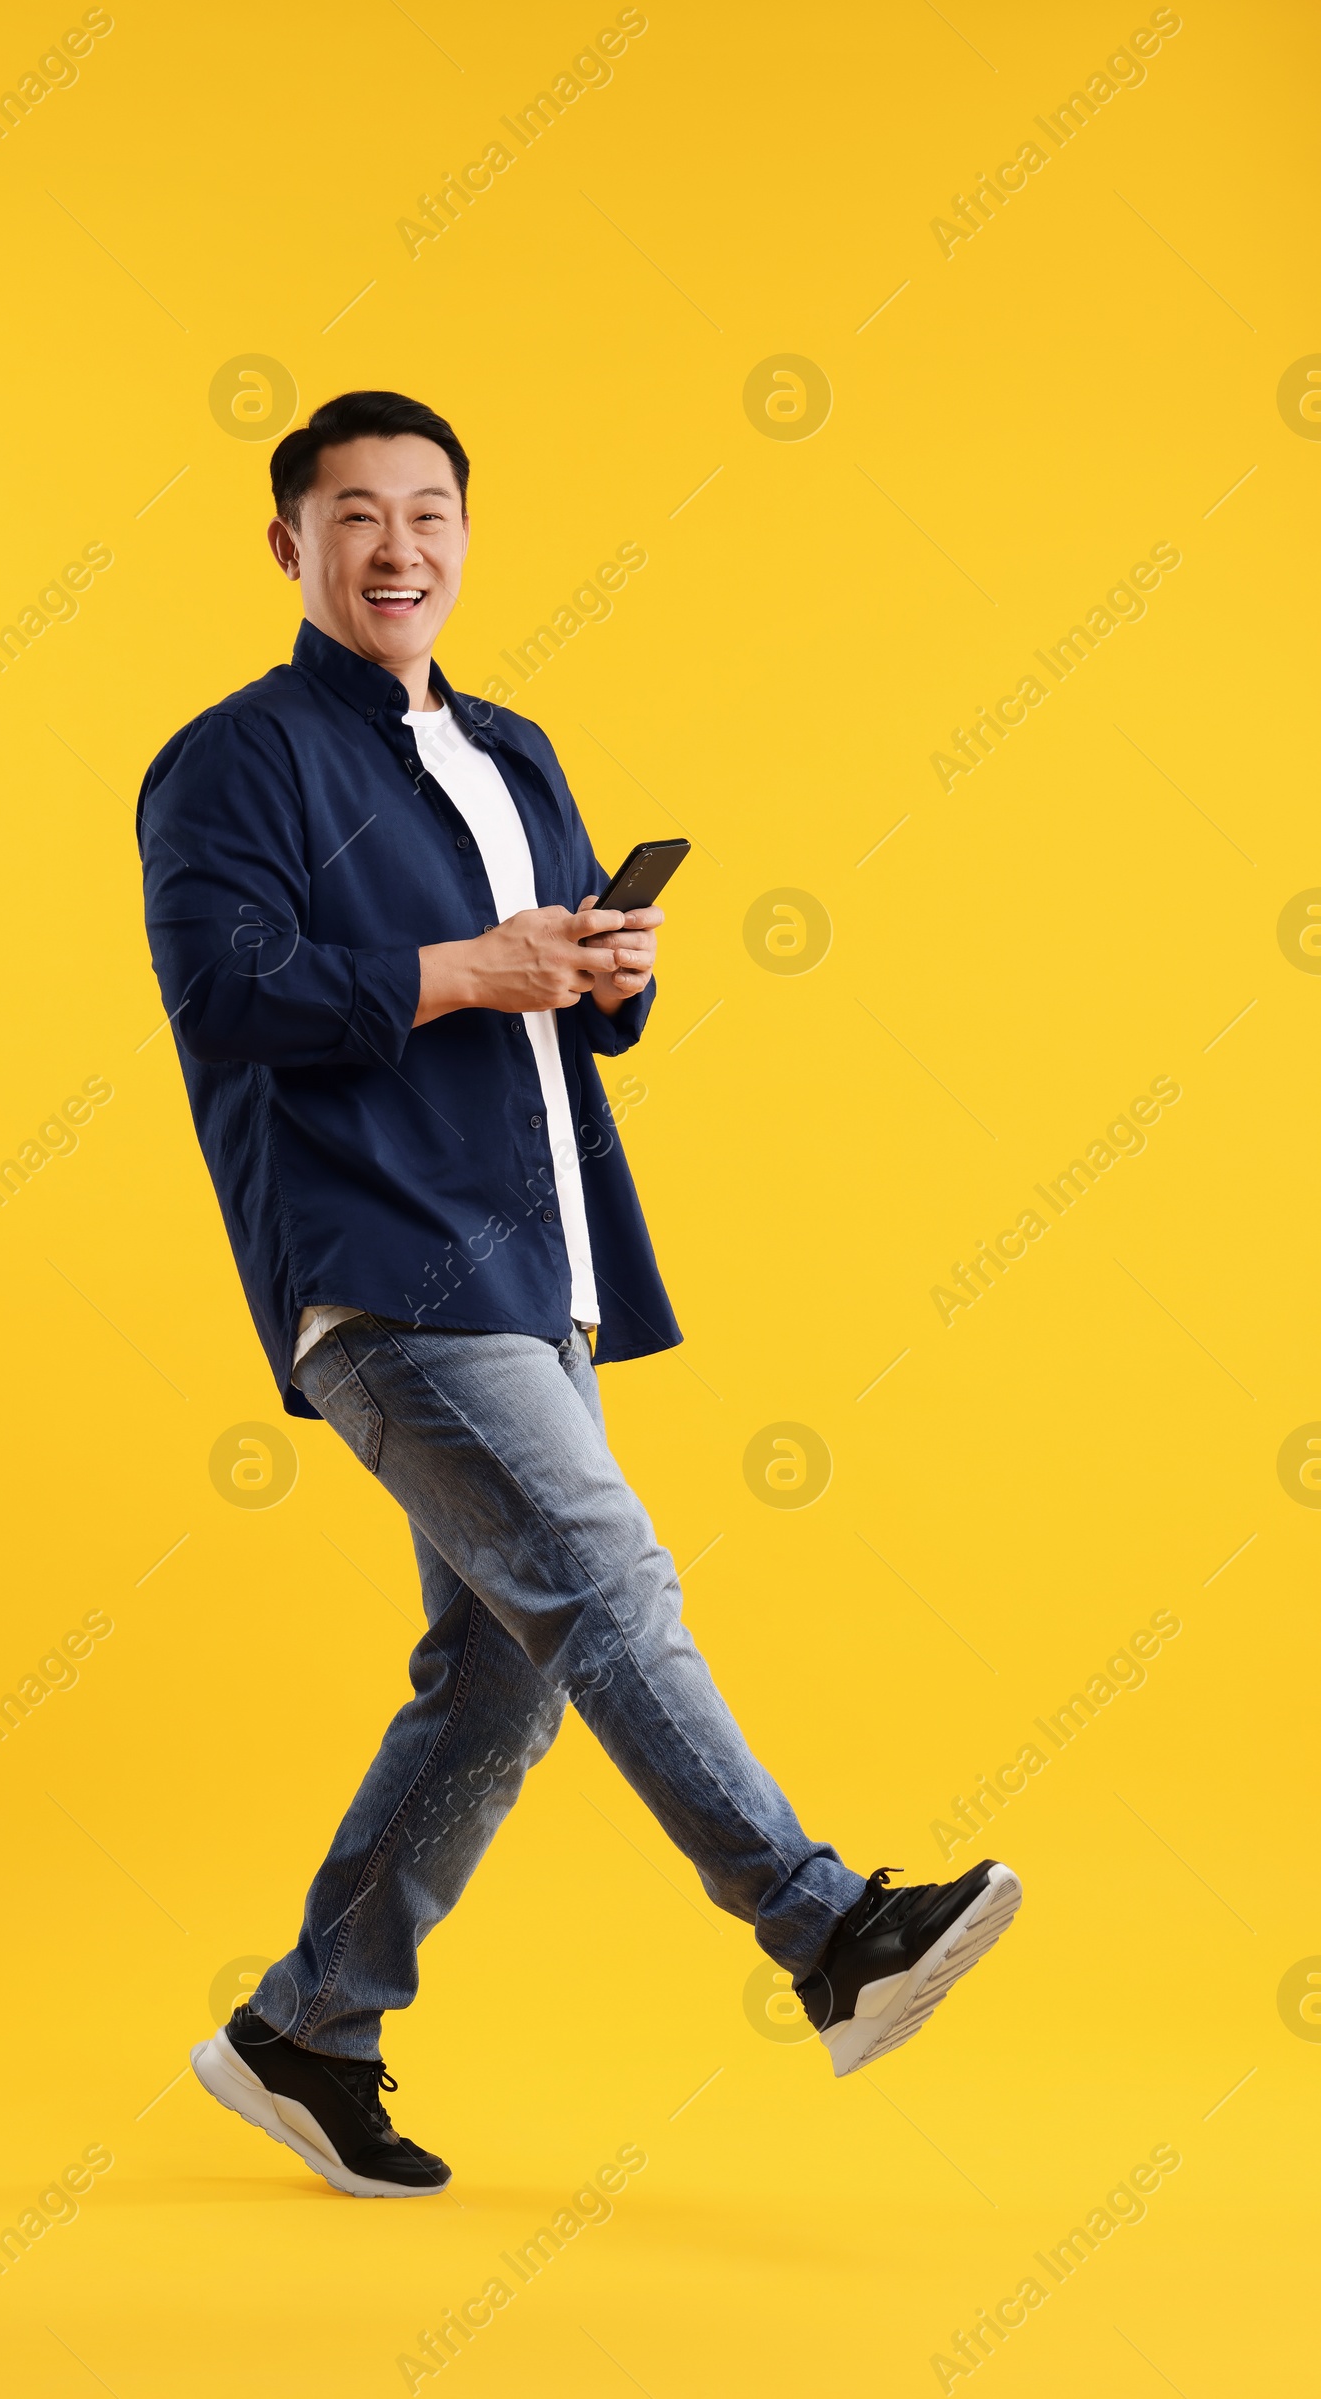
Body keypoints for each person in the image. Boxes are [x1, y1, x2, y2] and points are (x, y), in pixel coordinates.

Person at [137, 390, 1021, 2200]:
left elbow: (552, 1004)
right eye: (358, 516)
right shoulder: (230, 762)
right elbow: (230, 995)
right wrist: (475, 964)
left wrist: (601, 969)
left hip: (537, 1265)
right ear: (288, 544)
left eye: (433, 515)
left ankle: (310, 2027)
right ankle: (826, 1929)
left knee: (500, 1678)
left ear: (467, 536)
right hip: (383, 1261)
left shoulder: (511, 746)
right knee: (606, 1580)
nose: (401, 550)